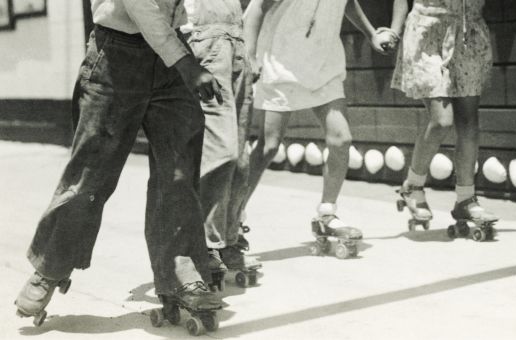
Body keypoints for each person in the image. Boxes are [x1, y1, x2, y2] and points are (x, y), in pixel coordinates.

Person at [15, 0, 223, 327]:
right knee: (90, 177)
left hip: (171, 54)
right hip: (117, 54)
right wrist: (187, 64)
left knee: (178, 177)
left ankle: (182, 274)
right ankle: (49, 269)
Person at [380, 0, 516, 231]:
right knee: (442, 120)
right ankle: (413, 185)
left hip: (468, 34)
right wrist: (394, 30)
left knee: (469, 122)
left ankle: (465, 199)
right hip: (426, 32)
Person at [241, 0, 389, 257]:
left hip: (324, 64)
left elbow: (349, 4)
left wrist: (372, 34)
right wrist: (250, 55)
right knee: (269, 146)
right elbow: (256, 9)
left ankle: (326, 215)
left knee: (341, 140)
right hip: (281, 63)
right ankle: (232, 216)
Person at [182, 0, 261, 289]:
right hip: (203, 43)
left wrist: (248, 49)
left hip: (236, 44)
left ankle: (228, 240)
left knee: (240, 162)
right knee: (221, 152)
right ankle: (203, 246)